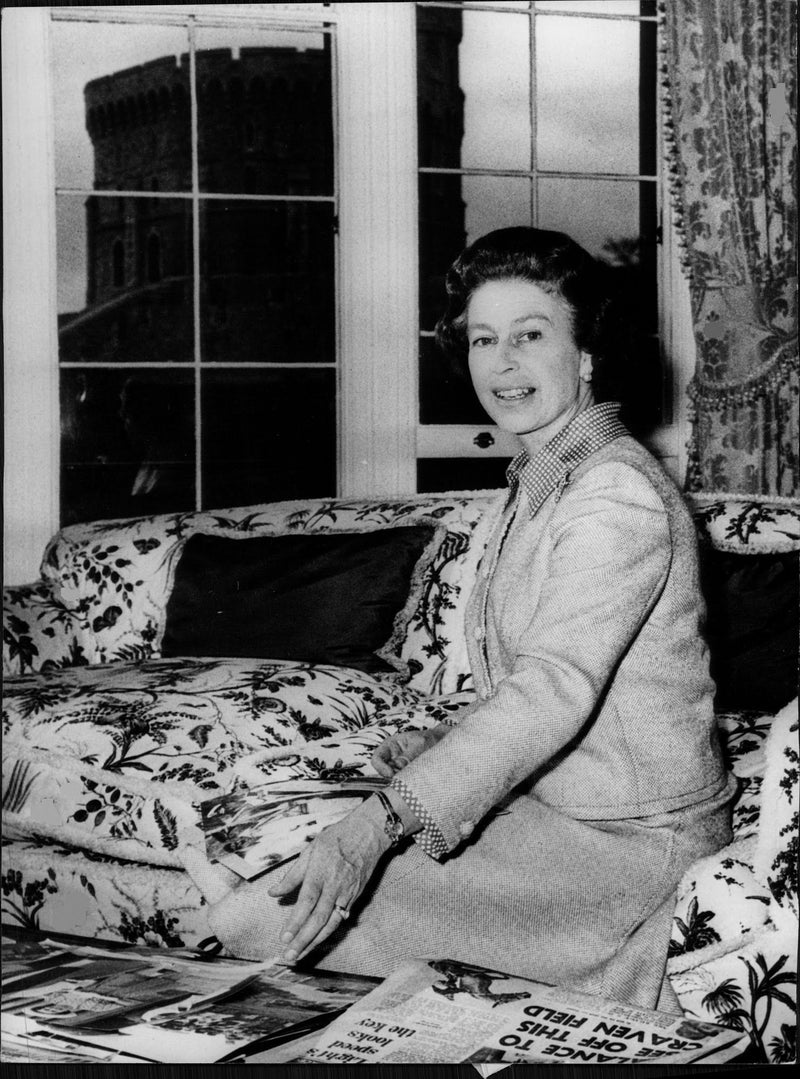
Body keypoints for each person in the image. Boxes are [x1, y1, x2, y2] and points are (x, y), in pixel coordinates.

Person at [220, 227, 737, 1010]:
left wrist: (378, 824)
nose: (503, 364)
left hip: (632, 848)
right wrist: (434, 747)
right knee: (280, 891)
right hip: (559, 814)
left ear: (587, 352)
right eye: (484, 340)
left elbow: (554, 685)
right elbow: (539, 678)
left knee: (266, 915)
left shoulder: (615, 493)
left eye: (532, 336)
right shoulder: (537, 480)